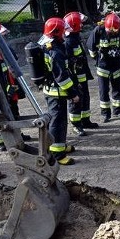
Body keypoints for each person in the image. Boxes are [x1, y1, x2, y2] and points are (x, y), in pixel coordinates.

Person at [39, 17, 80, 165]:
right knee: (58, 122)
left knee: (59, 121)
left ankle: (59, 145)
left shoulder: (50, 45)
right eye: (63, 31)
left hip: (54, 91)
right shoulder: (55, 52)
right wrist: (73, 93)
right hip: (57, 93)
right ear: (57, 33)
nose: (65, 34)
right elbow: (62, 77)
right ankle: (57, 153)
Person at [0, 22, 30, 151]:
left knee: (13, 110)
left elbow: (13, 58)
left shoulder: (3, 49)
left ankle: (17, 135)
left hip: (10, 86)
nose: (4, 39)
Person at [87, 12, 120, 123]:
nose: (113, 33)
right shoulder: (99, 30)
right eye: (110, 31)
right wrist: (97, 59)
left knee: (118, 89)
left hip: (116, 65)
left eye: (115, 31)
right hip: (103, 67)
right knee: (103, 91)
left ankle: (118, 111)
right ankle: (105, 114)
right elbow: (91, 46)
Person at [64, 11, 97, 136]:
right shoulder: (68, 42)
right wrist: (74, 81)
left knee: (85, 98)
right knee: (75, 102)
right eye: (80, 23)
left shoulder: (76, 37)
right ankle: (76, 125)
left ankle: (85, 120)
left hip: (82, 76)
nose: (82, 25)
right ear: (74, 25)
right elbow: (68, 65)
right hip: (75, 79)